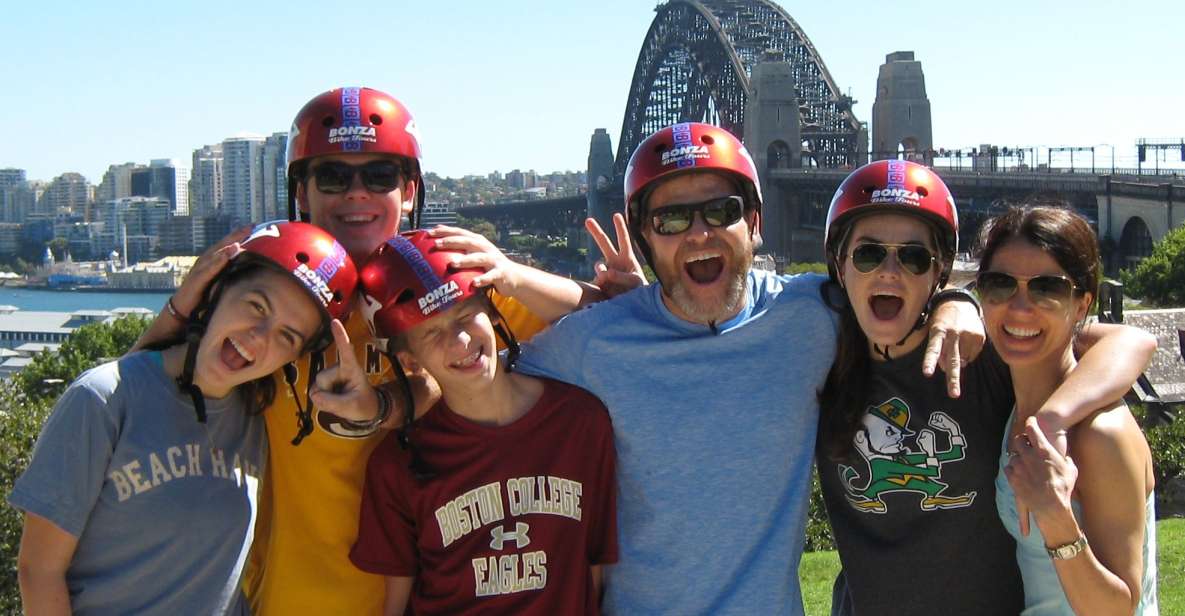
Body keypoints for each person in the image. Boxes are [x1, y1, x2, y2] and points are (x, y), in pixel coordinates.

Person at [133, 86, 603, 614]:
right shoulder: (274, 297)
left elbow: (599, 321)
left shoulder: (445, 285)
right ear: (302, 193)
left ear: (408, 191)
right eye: (333, 176)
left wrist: (513, 275)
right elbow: (144, 388)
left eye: (380, 175)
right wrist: (179, 309)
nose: (356, 193)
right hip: (297, 600)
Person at [511, 122, 984, 614]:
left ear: (755, 224)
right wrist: (520, 278)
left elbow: (901, 287)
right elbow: (475, 378)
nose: (699, 234)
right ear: (647, 238)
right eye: (671, 220)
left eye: (722, 211)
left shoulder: (814, 316)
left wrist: (956, 301)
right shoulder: (596, 341)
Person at [814, 162, 1158, 615]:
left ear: (939, 271)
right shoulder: (816, 355)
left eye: (914, 257)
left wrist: (1049, 422)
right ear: (840, 266)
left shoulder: (994, 359)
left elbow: (1130, 339)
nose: (890, 272)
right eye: (868, 254)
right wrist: (960, 301)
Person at [9, 221, 358, 615]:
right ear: (215, 292)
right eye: (256, 306)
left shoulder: (259, 417)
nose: (259, 336)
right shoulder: (101, 400)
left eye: (287, 337)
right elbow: (38, 571)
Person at [347, 231, 617, 614]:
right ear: (409, 360)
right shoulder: (397, 464)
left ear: (492, 313)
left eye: (464, 315)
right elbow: (397, 602)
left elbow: (595, 565)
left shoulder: (581, 422)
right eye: (431, 333)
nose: (459, 342)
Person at [981, 206, 1158, 614]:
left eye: (1047, 288)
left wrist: (1057, 518)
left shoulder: (1100, 434)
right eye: (1000, 284)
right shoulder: (1018, 406)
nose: (1020, 307)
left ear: (1082, 305)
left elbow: (1121, 608)